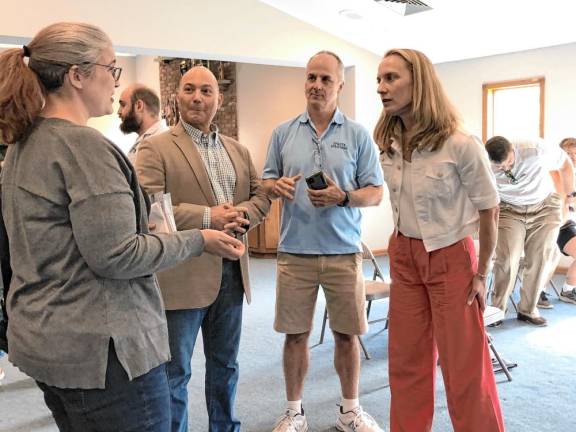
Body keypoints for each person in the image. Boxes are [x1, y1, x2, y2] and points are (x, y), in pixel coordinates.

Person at [0, 22, 244, 432]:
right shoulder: (84, 148)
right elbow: (119, 255)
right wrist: (199, 239)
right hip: (102, 352)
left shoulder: (25, 143)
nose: (117, 82)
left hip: (48, 339)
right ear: (77, 75)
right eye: (111, 69)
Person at [374, 48, 504, 432]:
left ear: (420, 82)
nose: (382, 88)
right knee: (407, 363)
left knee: (464, 366)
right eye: (379, 80)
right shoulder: (388, 140)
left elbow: (490, 210)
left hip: (451, 255)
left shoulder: (460, 143)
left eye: (391, 78)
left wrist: (482, 274)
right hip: (404, 253)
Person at [136, 65, 270, 432]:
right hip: (182, 276)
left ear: (218, 99)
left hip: (232, 274)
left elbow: (260, 197)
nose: (198, 97)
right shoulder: (155, 148)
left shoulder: (238, 151)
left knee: (226, 366)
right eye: (190, 89)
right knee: (175, 373)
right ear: (176, 96)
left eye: (206, 91)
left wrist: (242, 215)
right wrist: (209, 217)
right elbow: (149, 207)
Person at [262, 51, 384, 432]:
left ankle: (350, 412)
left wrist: (342, 196)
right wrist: (275, 185)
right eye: (311, 77)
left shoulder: (358, 135)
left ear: (340, 86)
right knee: (295, 335)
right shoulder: (283, 132)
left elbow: (376, 192)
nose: (317, 85)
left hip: (342, 252)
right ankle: (294, 412)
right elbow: (265, 180)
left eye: (325, 79)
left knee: (346, 336)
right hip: (294, 251)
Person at [486, 135, 574, 325]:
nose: (506, 169)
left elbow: (565, 164)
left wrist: (570, 194)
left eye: (509, 163)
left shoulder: (534, 150)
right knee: (507, 259)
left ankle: (528, 310)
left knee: (540, 258)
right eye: (500, 167)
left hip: (544, 207)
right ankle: (497, 309)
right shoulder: (482, 162)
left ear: (513, 150)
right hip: (509, 208)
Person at [117, 83, 168, 163]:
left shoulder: (160, 143)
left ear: (139, 106)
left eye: (123, 105)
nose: (119, 112)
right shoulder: (147, 140)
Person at [553, 137, 576, 304]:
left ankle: (568, 290)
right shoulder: (554, 172)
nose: (572, 156)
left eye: (575, 153)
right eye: (568, 153)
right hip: (554, 225)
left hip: (567, 222)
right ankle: (540, 293)